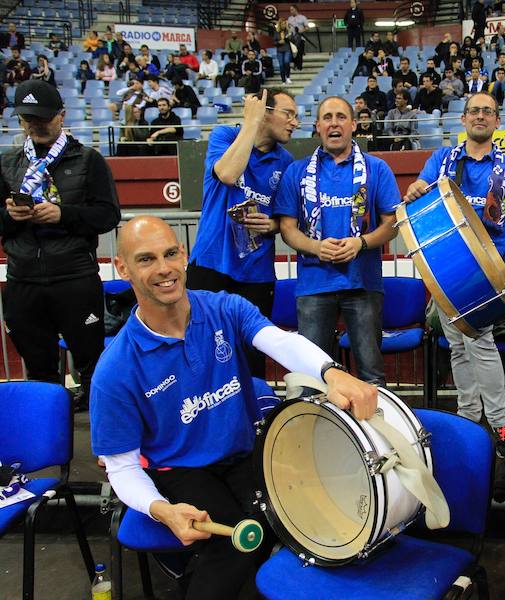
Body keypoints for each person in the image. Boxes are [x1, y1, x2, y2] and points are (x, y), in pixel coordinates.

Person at [90, 216, 377, 600]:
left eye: (171, 253)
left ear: (185, 255)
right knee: (235, 542)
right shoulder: (115, 370)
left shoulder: (224, 308)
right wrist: (161, 509)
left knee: (294, 519)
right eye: (146, 259)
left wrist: (331, 372)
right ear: (122, 268)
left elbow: (279, 341)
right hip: (178, 469)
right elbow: (122, 468)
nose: (164, 269)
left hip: (241, 452)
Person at [403, 92, 505, 455]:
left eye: (488, 111)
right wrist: (414, 190)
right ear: (464, 119)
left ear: (498, 121)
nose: (480, 116)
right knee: (458, 345)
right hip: (443, 268)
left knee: (479, 343)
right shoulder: (441, 159)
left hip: (485, 272)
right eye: (474, 111)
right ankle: (470, 416)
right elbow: (414, 194)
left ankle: (499, 422)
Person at [0, 80, 121, 411]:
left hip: (75, 278)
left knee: (93, 365)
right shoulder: (8, 163)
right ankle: (45, 445)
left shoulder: (89, 160)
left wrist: (62, 215)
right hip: (23, 280)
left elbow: (108, 215)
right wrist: (11, 216)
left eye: (43, 117)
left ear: (61, 116)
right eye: (28, 119)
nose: (36, 124)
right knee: (39, 371)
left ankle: (105, 443)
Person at [274, 96, 400, 386]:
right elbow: (288, 229)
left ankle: (375, 432)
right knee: (311, 376)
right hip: (314, 286)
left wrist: (362, 244)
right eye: (327, 117)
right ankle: (314, 431)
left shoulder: (376, 169)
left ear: (354, 124)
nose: (334, 123)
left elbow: (391, 224)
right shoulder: (297, 171)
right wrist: (317, 247)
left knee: (371, 374)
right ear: (317, 126)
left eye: (341, 117)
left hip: (363, 284)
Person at [188, 89, 297, 379]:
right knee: (203, 350)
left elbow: (284, 219)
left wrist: (271, 226)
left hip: (256, 273)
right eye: (289, 114)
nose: (295, 123)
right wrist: (250, 124)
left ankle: (254, 420)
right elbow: (227, 174)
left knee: (251, 357)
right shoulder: (224, 135)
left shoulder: (285, 162)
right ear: (265, 113)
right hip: (211, 264)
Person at [274, 17, 293, 84]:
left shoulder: (288, 31)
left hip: (287, 49)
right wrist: (279, 42)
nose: (283, 25)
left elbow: (291, 39)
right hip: (279, 50)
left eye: (284, 24)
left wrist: (288, 30)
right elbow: (274, 42)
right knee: (281, 65)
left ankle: (288, 77)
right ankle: (283, 80)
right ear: (280, 24)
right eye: (282, 24)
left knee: (286, 62)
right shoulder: (276, 32)